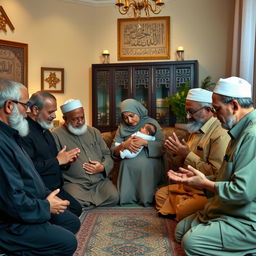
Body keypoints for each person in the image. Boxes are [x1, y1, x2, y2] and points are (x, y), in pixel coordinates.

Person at [168, 77, 256, 256]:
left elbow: (242, 192)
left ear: (234, 105)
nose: (214, 115)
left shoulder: (252, 136)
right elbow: (225, 176)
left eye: (216, 109)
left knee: (191, 243)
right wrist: (198, 181)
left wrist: (205, 184)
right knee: (179, 232)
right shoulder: (237, 130)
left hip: (246, 218)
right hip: (225, 207)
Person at [0, 78, 80, 256]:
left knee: (71, 222)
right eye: (24, 105)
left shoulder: (13, 134)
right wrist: (45, 206)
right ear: (9, 106)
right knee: (67, 243)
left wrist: (46, 198)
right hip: (10, 222)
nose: (26, 111)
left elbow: (27, 176)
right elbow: (12, 199)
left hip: (34, 201)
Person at [155, 88, 230, 220]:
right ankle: (183, 207)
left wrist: (187, 154)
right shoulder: (196, 128)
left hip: (207, 191)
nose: (188, 116)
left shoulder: (220, 133)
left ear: (208, 110)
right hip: (189, 187)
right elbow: (184, 166)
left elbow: (217, 174)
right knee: (160, 195)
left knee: (183, 209)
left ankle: (183, 209)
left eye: (191, 111)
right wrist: (177, 153)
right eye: (187, 111)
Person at [21, 91, 82, 217]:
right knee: (71, 220)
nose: (54, 116)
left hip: (55, 188)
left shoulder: (46, 131)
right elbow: (28, 168)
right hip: (39, 192)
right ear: (35, 110)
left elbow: (55, 161)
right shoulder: (24, 132)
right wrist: (58, 161)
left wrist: (66, 161)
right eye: (50, 112)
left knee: (76, 209)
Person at [52, 99, 119, 208]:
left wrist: (102, 167)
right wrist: (66, 161)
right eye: (75, 119)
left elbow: (107, 155)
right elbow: (55, 162)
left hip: (99, 182)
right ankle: (85, 205)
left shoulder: (94, 132)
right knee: (73, 198)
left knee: (114, 196)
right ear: (65, 119)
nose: (80, 122)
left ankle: (85, 206)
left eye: (82, 117)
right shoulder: (56, 135)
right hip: (75, 184)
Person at [111, 98, 165, 206]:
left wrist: (144, 142)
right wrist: (123, 145)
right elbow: (113, 150)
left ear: (138, 111)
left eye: (132, 116)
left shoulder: (151, 123)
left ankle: (146, 198)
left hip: (150, 156)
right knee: (126, 164)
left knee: (144, 164)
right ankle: (127, 198)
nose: (129, 121)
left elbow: (163, 146)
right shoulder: (122, 127)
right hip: (128, 156)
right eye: (125, 117)